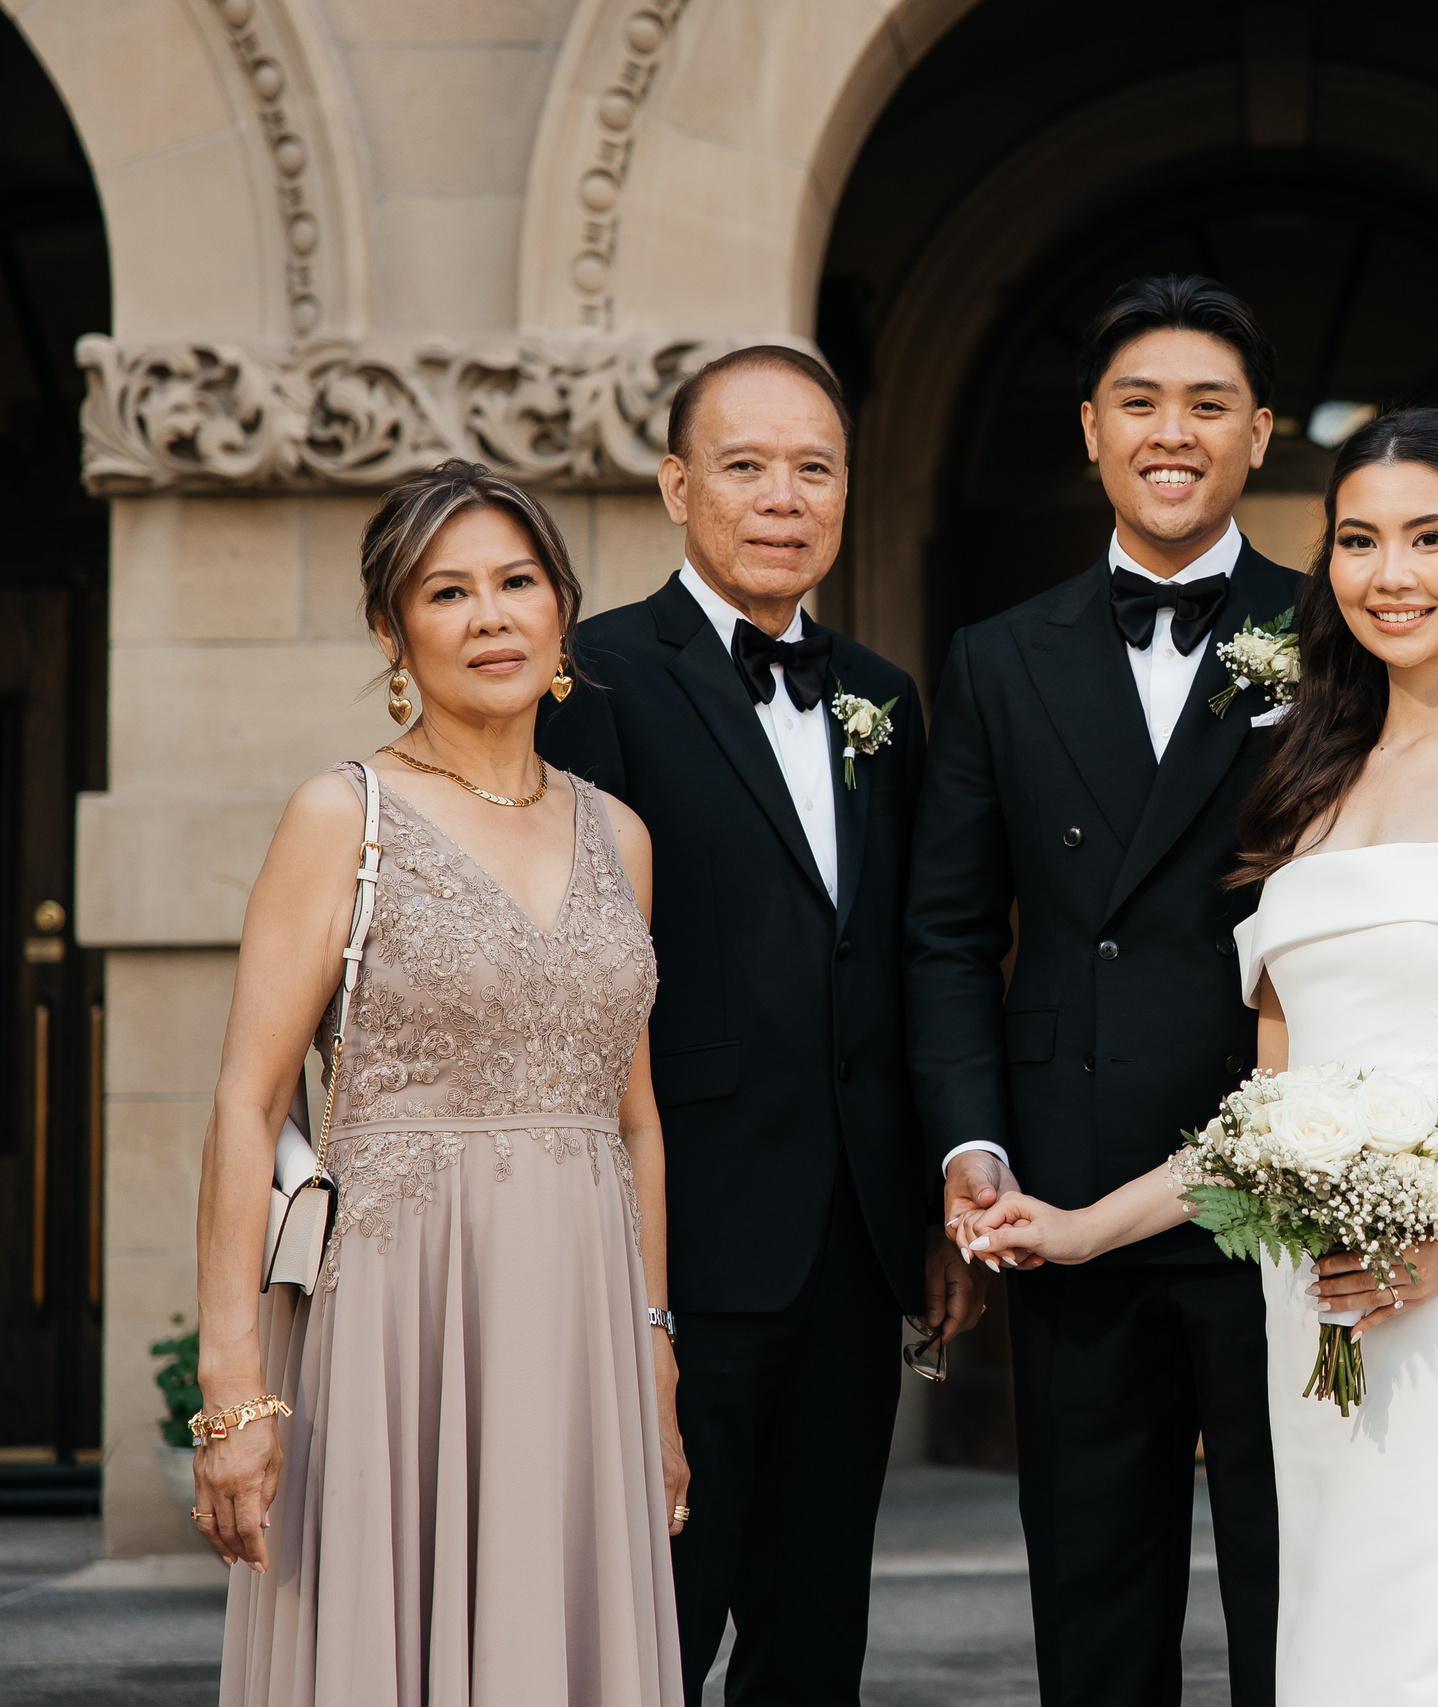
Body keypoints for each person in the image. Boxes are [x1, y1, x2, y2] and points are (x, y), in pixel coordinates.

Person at [904, 282, 1438, 1707]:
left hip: (1308, 1181)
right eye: (1139, 400)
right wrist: (974, 1146)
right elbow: (949, 931)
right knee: (1094, 1599)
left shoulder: (1350, 625)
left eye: (1209, 403)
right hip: (1074, 1188)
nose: (1172, 431)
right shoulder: (999, 658)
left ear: (1261, 435)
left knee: (1305, 1590)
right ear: (1090, 429)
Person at [537, 347, 981, 1706]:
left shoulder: (885, 700)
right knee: (652, 1616)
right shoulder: (592, 675)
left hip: (851, 1242)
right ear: (677, 483)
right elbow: (568, 973)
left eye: (814, 468)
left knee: (815, 1629)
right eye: (745, 464)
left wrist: (927, 1195)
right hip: (679, 1231)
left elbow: (909, 957)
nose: (782, 496)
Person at [199, 461, 682, 1702]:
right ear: (393, 631)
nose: (490, 617)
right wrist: (233, 1391)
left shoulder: (616, 833)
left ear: (561, 610)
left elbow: (635, 1126)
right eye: (447, 592)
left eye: (517, 583)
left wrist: (656, 1353)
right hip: (396, 1323)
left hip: (583, 1327)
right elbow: (248, 1107)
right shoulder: (341, 816)